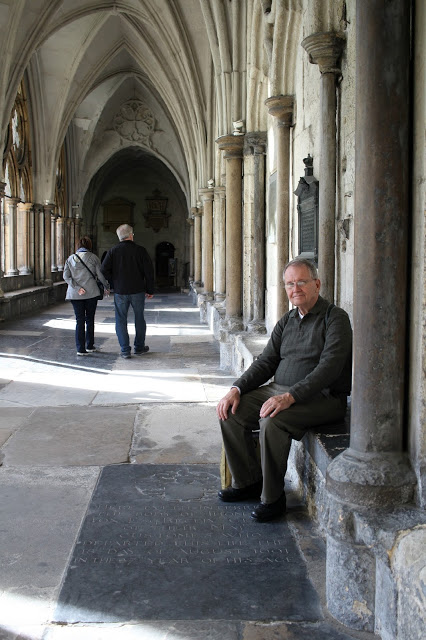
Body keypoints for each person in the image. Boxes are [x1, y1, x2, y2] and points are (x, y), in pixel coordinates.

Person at [216, 257, 352, 522]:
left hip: (322, 398)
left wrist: (291, 396)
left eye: (302, 281)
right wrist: (236, 388)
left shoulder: (335, 319)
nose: (295, 288)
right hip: (279, 389)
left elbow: (330, 368)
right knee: (231, 411)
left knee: (272, 421)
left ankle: (273, 498)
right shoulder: (287, 320)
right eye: (290, 284)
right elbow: (266, 361)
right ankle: (248, 482)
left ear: (317, 284)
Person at [101, 224, 154, 359]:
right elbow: (149, 271)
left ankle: (125, 349)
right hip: (137, 290)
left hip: (120, 291)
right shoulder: (140, 250)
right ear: (131, 235)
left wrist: (114, 283)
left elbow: (103, 271)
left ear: (119, 237)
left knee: (120, 320)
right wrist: (150, 289)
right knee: (139, 319)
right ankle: (139, 347)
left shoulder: (112, 251)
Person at [63, 236, 110, 356]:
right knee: (90, 319)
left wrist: (78, 288)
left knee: (79, 321)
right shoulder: (93, 258)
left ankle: (80, 349)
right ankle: (89, 345)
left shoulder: (70, 258)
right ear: (89, 245)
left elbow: (66, 276)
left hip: (75, 294)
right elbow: (100, 275)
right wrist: (106, 286)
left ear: (78, 245)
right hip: (91, 293)